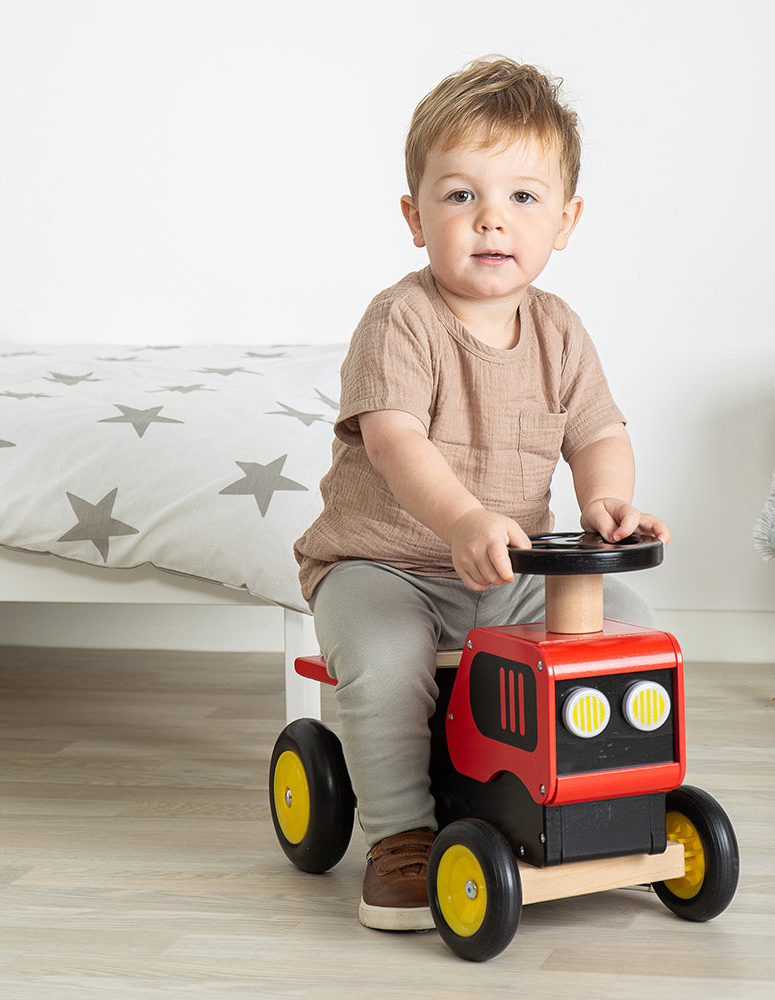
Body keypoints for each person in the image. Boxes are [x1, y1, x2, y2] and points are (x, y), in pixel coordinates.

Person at [294, 56, 670, 932]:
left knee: (626, 627)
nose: (492, 218)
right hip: (383, 565)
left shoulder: (559, 329)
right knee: (387, 661)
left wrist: (607, 502)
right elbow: (394, 441)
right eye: (460, 196)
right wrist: (462, 518)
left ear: (566, 220)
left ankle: (603, 799)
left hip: (509, 566)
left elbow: (598, 432)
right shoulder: (403, 319)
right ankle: (400, 837)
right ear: (414, 217)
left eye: (524, 199)